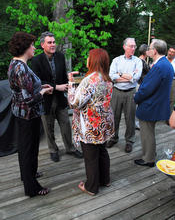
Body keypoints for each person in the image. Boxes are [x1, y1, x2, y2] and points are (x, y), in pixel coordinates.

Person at [8, 31, 53, 197]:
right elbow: (29, 100)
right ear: (25, 47)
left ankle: (28, 174)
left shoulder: (18, 64)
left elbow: (25, 91)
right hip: (28, 114)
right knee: (29, 149)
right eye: (32, 45)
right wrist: (43, 92)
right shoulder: (20, 68)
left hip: (23, 113)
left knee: (27, 148)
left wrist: (41, 87)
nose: (34, 47)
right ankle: (32, 188)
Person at [68, 48, 114, 195]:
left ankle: (91, 187)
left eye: (89, 57)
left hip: (90, 125)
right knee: (102, 151)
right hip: (103, 123)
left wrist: (71, 84)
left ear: (93, 60)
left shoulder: (90, 80)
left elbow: (74, 103)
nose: (87, 59)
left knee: (91, 156)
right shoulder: (107, 78)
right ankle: (105, 179)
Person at [31, 31, 82, 162]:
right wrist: (56, 87)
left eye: (54, 42)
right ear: (43, 45)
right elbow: (38, 82)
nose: (53, 44)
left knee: (65, 124)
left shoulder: (60, 56)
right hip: (45, 99)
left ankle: (70, 148)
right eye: (49, 42)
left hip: (60, 98)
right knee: (48, 127)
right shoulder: (36, 60)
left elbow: (64, 76)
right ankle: (53, 150)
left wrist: (69, 82)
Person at [134, 39, 174, 167]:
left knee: (147, 133)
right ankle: (151, 154)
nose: (148, 50)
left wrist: (136, 97)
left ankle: (148, 159)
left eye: (150, 48)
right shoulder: (166, 64)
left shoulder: (159, 66)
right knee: (149, 132)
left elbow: (146, 89)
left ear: (155, 51)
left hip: (150, 105)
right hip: (157, 104)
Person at [106, 38, 142, 153]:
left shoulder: (138, 61)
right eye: (131, 46)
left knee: (130, 118)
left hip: (131, 92)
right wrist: (128, 77)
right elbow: (112, 76)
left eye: (134, 46)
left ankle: (129, 141)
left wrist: (120, 75)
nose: (133, 48)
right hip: (116, 92)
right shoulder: (116, 60)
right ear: (124, 47)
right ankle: (113, 137)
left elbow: (135, 78)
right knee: (114, 116)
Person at [135, 44, 150, 130]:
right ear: (145, 51)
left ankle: (137, 122)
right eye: (148, 50)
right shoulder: (140, 61)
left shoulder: (142, 61)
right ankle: (136, 123)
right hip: (140, 85)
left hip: (141, 85)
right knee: (138, 105)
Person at [166, 46, 175, 113]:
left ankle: (169, 117)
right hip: (163, 81)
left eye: (173, 52)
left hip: (173, 81)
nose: (170, 53)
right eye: (170, 51)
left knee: (171, 99)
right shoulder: (163, 59)